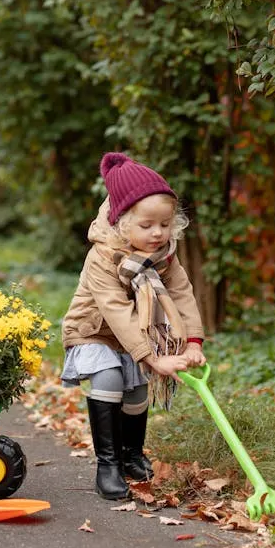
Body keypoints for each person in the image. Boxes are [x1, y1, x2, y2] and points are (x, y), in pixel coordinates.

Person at [61, 152, 207, 500]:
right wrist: (153, 358)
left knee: (137, 390)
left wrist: (193, 342)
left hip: (132, 336)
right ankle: (107, 465)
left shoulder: (164, 254)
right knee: (111, 377)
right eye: (147, 226)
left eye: (165, 224)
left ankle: (131, 454)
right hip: (93, 331)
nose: (158, 233)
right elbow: (116, 311)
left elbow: (182, 294)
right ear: (122, 223)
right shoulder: (102, 257)